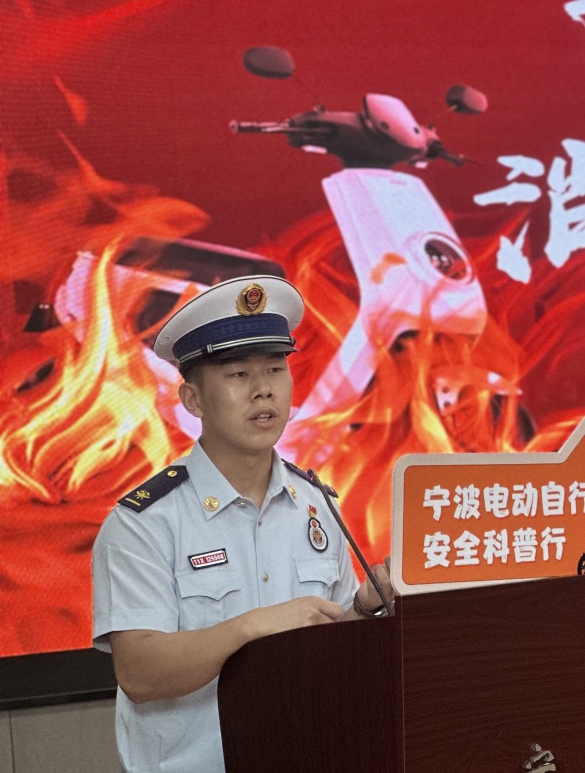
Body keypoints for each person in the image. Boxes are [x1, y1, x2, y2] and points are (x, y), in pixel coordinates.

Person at [91, 275, 395, 773]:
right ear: (193, 400)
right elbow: (140, 673)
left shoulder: (316, 503)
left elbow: (327, 650)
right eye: (238, 374)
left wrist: (362, 612)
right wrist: (251, 628)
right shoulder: (145, 522)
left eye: (275, 369)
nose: (263, 390)